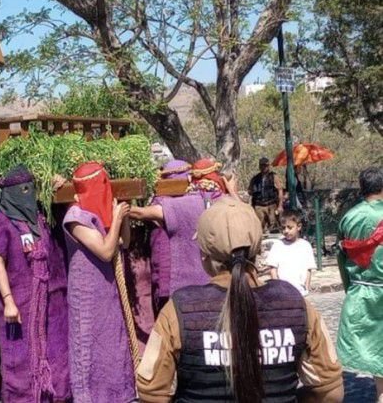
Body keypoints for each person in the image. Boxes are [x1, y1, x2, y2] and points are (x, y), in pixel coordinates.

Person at [136, 196, 344, 402]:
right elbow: (330, 391)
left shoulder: (178, 309)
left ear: (204, 255)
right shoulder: (296, 303)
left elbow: (151, 393)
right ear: (259, 249)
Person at [0, 166, 71, 402]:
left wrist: (57, 184)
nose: (27, 193)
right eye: (21, 189)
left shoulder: (41, 215)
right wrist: (9, 301)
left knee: (57, 354)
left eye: (30, 188)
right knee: (19, 359)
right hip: (19, 305)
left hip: (52, 305)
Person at [62, 162, 135, 402]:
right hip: (87, 294)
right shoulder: (75, 217)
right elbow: (105, 251)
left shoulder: (105, 210)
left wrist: (122, 217)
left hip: (108, 292)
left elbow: (124, 241)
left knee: (112, 345)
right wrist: (115, 220)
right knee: (89, 347)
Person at [129, 160, 210, 313]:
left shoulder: (173, 204)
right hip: (198, 277)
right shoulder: (201, 200)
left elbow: (139, 213)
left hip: (171, 278)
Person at [336, 166, 383, 400]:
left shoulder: (348, 217)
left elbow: (342, 258)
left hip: (362, 292)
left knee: (376, 350)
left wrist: (351, 290)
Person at [266, 210, 316, 297]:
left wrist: (307, 288)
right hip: (282, 291)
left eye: (289, 227)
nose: (286, 231)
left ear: (299, 226)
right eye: (283, 228)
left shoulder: (305, 246)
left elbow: (308, 269)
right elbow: (273, 269)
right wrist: (277, 287)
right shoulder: (278, 245)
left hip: (300, 291)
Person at [249, 157, 284, 233]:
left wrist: (280, 205)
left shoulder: (274, 176)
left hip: (271, 204)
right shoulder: (255, 179)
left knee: (273, 225)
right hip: (259, 205)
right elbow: (250, 192)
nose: (264, 167)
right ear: (259, 166)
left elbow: (280, 190)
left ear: (268, 166)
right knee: (259, 226)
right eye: (262, 165)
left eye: (266, 165)